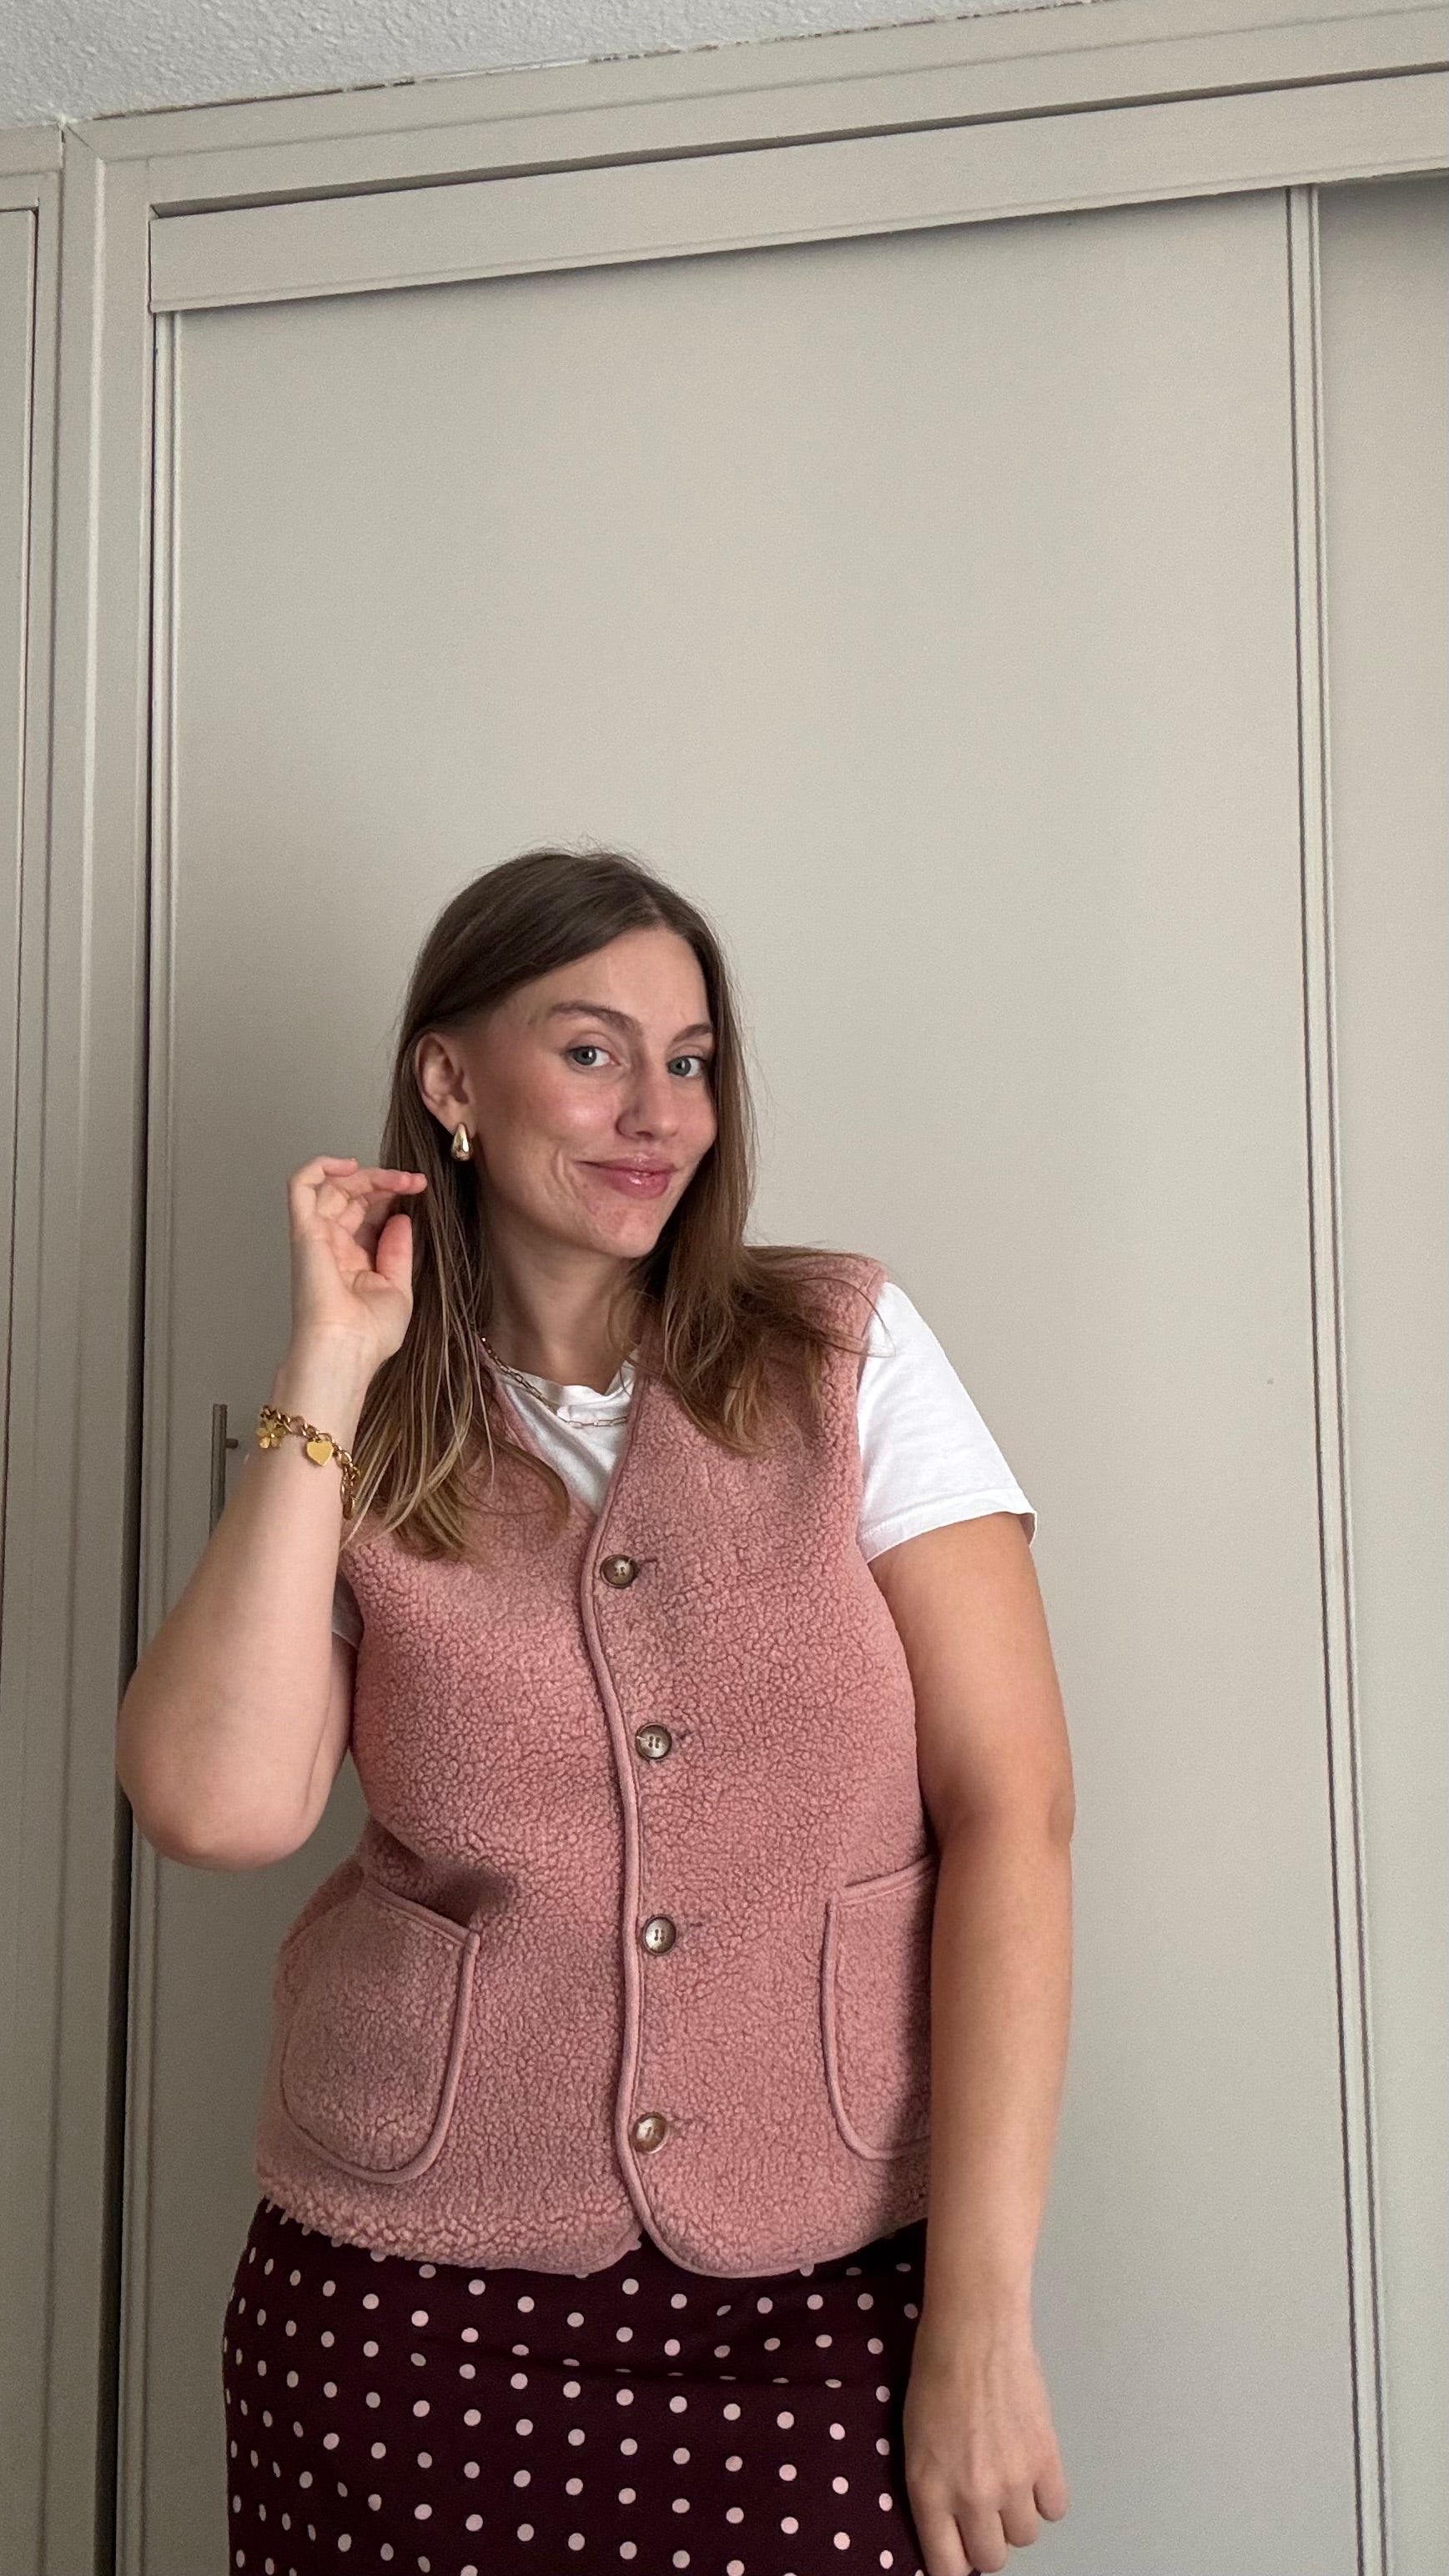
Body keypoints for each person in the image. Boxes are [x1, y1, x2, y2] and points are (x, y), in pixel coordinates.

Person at [117, 844, 1074, 2576]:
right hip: (401, 2314)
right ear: (447, 1081)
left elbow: (1014, 1811)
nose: (657, 1112)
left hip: (817, 2279)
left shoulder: (843, 1351)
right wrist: (326, 1365)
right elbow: (216, 1805)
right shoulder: (356, 1430)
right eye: (590, 1050)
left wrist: (980, 2315)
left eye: (689, 1060)